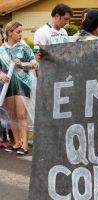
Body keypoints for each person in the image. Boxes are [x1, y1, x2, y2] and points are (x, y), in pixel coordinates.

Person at [0, 21, 38, 155]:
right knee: (12, 114)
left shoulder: (24, 47)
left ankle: (25, 145)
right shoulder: (1, 50)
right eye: (18, 32)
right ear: (10, 33)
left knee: (22, 114)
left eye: (21, 31)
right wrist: (2, 74)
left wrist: (22, 64)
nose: (21, 34)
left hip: (23, 83)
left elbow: (34, 64)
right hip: (7, 85)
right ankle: (16, 142)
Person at [0, 28, 15, 148]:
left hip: (11, 84)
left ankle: (12, 135)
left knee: (9, 111)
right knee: (2, 111)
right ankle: (3, 136)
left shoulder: (8, 49)